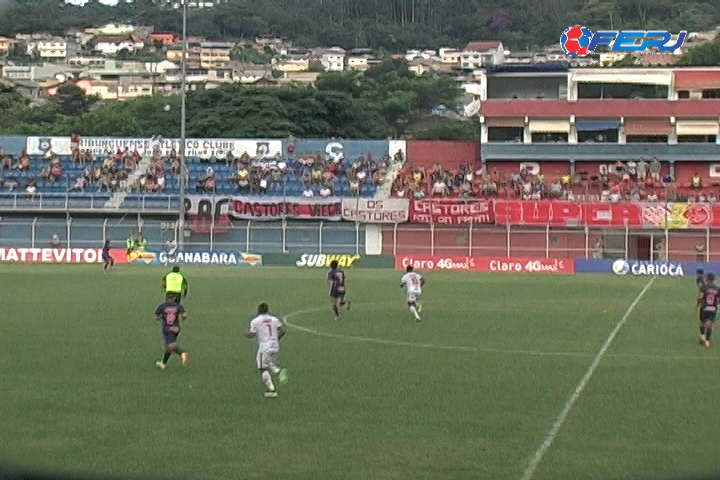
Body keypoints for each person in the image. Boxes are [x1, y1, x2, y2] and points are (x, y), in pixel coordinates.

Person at [244, 303, 288, 398]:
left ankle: (273, 388)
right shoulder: (274, 319)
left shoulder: (255, 321)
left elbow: (252, 334)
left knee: (262, 367)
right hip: (275, 345)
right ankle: (277, 373)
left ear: (258, 310)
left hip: (264, 347)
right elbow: (283, 330)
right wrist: (276, 339)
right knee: (267, 364)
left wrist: (245, 334)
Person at [154, 296, 189, 370]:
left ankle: (182, 353)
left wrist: (160, 318)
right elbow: (184, 315)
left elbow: (156, 317)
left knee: (171, 345)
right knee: (168, 346)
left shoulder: (162, 306)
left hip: (167, 329)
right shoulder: (178, 306)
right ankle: (163, 363)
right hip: (176, 328)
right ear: (174, 298)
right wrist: (183, 317)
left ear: (166, 298)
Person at [699, 272, 719, 348]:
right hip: (713, 308)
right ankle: (707, 341)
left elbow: (701, 297)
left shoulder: (703, 287)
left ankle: (702, 336)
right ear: (714, 279)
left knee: (702, 322)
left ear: (707, 279)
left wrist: (698, 304)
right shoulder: (717, 288)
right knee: (710, 325)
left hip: (704, 308)